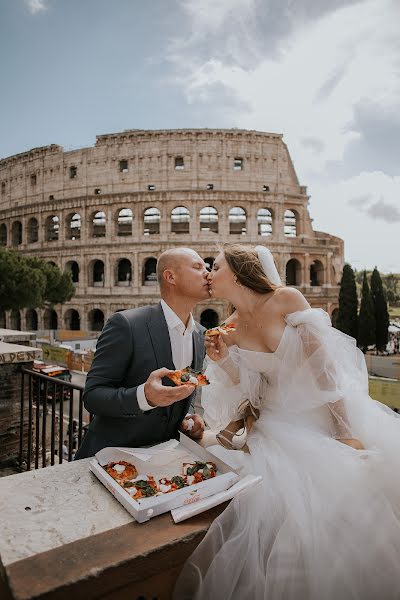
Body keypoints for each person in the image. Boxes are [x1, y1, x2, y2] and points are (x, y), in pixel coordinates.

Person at [174, 243, 400, 600]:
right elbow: (252, 391)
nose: (207, 274)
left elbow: (324, 371)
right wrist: (223, 360)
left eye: (213, 267)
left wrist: (344, 431)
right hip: (274, 422)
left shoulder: (287, 299)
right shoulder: (229, 327)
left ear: (235, 271)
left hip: (319, 415)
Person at [75, 248, 209, 459]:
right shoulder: (127, 324)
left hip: (162, 460)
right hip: (110, 457)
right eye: (198, 266)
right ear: (170, 276)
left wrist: (189, 417)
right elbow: (93, 396)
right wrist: (144, 397)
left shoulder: (199, 334)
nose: (207, 273)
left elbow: (185, 391)